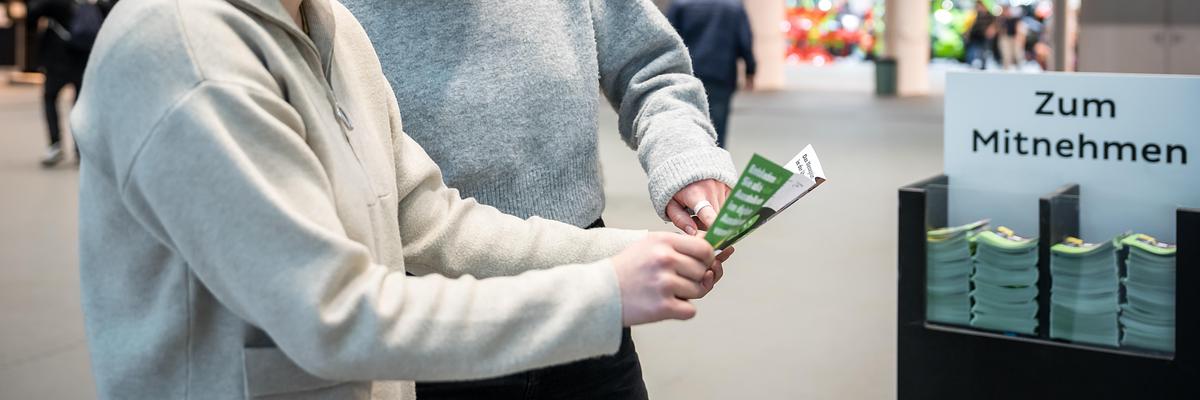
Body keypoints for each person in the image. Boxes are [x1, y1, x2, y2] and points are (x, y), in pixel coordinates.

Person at [70, 0, 732, 398]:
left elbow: (429, 222)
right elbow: (332, 314)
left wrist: (632, 256)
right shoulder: (189, 55)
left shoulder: (328, 27)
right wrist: (603, 291)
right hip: (409, 333)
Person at [339, 1, 740, 397]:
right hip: (437, 314)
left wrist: (685, 155)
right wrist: (623, 257)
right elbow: (421, 220)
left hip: (591, 309)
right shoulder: (330, 18)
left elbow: (653, 68)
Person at [667, 0, 757, 149]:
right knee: (717, 129)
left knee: (686, 125)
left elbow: (668, 40)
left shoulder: (681, 4)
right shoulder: (734, 7)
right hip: (721, 74)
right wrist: (750, 70)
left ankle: (690, 160)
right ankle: (715, 161)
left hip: (686, 74)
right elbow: (744, 41)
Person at [27, 0, 88, 166]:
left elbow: (32, 14)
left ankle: (55, 145)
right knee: (81, 105)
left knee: (50, 98)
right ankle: (80, 149)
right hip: (83, 56)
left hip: (57, 57)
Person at [964, 1, 996, 70]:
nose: (979, 8)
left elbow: (993, 27)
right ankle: (970, 66)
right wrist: (967, 34)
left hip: (984, 38)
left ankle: (982, 67)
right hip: (974, 37)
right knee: (972, 52)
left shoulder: (990, 16)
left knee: (983, 53)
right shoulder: (974, 15)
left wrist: (990, 31)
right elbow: (969, 26)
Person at [997, 5, 1026, 71]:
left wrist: (1019, 37)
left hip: (1015, 38)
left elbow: (1019, 29)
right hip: (1006, 38)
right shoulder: (1001, 19)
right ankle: (1006, 69)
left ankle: (1020, 69)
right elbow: (1000, 30)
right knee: (1006, 55)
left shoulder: (1016, 18)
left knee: (1018, 54)